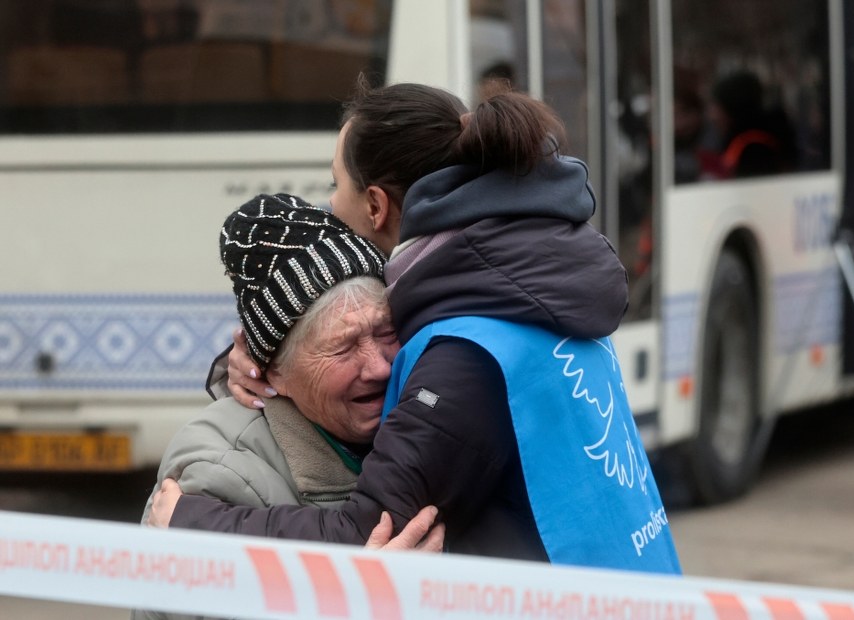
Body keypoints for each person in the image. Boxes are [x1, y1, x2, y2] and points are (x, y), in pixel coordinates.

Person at [151, 81, 681, 574]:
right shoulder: (525, 278)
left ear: (376, 206)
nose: (330, 207)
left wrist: (190, 525)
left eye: (337, 186)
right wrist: (262, 354)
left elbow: (367, 534)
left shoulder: (466, 346)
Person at [134, 195, 443, 620]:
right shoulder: (216, 478)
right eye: (343, 347)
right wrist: (363, 601)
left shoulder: (429, 409)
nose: (379, 366)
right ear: (272, 373)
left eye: (386, 331)